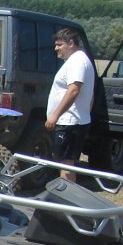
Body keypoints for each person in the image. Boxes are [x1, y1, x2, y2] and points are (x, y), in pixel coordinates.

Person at [45, 27, 95, 181]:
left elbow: (74, 90)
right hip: (72, 120)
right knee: (66, 163)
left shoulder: (77, 62)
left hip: (69, 122)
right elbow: (91, 94)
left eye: (59, 45)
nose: (56, 48)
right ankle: (67, 194)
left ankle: (66, 195)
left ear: (71, 43)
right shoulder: (77, 61)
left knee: (66, 165)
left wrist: (55, 116)